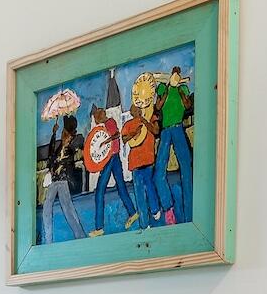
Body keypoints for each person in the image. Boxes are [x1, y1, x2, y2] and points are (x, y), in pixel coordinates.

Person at [81, 103, 138, 235]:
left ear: (100, 116)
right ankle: (133, 212)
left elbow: (116, 135)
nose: (95, 121)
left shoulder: (109, 123)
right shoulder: (106, 124)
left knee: (100, 191)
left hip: (111, 158)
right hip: (115, 157)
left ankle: (99, 227)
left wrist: (106, 142)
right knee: (121, 187)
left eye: (96, 117)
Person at [155, 66, 193, 223]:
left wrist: (179, 89)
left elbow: (187, 105)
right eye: (174, 72)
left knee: (186, 168)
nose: (176, 73)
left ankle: (190, 211)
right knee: (159, 171)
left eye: (178, 72)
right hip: (165, 130)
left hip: (178, 127)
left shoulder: (183, 87)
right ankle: (167, 206)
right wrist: (168, 87)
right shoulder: (163, 86)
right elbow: (158, 106)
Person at [40, 112, 85, 242]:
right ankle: (48, 238)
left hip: (63, 181)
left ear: (70, 137)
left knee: (68, 209)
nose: (64, 136)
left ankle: (80, 235)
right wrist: (53, 134)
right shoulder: (59, 147)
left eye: (66, 135)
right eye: (63, 134)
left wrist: (59, 165)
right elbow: (51, 155)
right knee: (47, 207)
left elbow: (67, 161)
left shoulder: (70, 149)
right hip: (55, 181)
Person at [121, 94, 163, 227]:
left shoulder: (150, 118)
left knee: (150, 187)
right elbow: (124, 139)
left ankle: (155, 210)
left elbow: (156, 130)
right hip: (135, 164)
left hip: (148, 161)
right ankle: (144, 224)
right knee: (139, 194)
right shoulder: (128, 124)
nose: (136, 111)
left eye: (137, 109)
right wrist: (135, 133)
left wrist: (144, 122)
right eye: (133, 109)